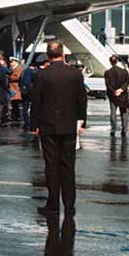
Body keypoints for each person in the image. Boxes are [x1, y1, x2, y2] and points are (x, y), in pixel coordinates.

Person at [31, 41, 87, 216]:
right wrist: (81, 121)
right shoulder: (75, 74)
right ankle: (69, 205)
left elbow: (36, 102)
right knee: (68, 165)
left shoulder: (41, 75)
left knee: (51, 165)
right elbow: (81, 99)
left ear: (48, 55)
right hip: (69, 125)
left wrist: (34, 125)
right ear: (63, 54)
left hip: (48, 125)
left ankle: (53, 203)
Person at [104, 55, 129, 137]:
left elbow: (108, 84)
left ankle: (113, 129)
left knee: (113, 112)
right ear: (117, 61)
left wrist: (114, 91)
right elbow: (127, 82)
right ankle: (124, 129)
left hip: (112, 95)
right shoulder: (124, 71)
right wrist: (121, 90)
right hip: (123, 94)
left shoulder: (107, 72)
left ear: (110, 62)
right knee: (124, 112)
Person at [9, 57, 23, 123]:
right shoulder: (13, 69)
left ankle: (16, 116)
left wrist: (9, 77)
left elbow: (18, 77)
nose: (11, 64)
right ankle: (15, 116)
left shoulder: (19, 68)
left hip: (16, 88)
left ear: (16, 62)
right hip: (13, 88)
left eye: (12, 62)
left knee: (16, 103)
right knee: (14, 103)